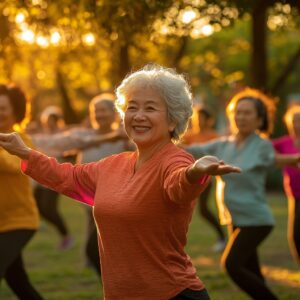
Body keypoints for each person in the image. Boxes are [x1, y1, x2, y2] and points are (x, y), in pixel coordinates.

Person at [0, 65, 241, 300]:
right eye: (132, 107)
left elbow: (178, 186)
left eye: (150, 108)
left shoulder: (175, 160)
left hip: (171, 294)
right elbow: (67, 177)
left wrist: (194, 172)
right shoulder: (112, 165)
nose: (138, 115)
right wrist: (25, 153)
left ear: (172, 120)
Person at [188, 88, 300, 299]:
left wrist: (293, 160)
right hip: (235, 218)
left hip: (256, 219)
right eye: (238, 112)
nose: (241, 117)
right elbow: (193, 150)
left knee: (231, 265)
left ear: (260, 119)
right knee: (253, 273)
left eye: (248, 113)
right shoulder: (223, 145)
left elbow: (272, 159)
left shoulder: (262, 145)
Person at [76, 93, 134, 276]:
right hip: (88, 197)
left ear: (113, 113)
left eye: (102, 111)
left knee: (99, 247)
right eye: (95, 111)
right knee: (94, 238)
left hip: (114, 202)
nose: (98, 115)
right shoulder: (86, 138)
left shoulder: (124, 139)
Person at [0, 84, 43, 299]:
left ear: (15, 111)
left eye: (2, 108)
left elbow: (10, 165)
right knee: (19, 284)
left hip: (19, 221)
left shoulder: (21, 142)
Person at [182, 106, 226, 253]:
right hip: (188, 177)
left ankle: (222, 238)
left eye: (201, 118)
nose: (198, 121)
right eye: (195, 118)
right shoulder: (188, 135)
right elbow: (178, 147)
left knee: (204, 210)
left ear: (209, 121)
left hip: (205, 178)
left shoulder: (214, 136)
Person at [30, 106, 73, 250]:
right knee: (38, 208)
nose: (50, 123)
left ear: (57, 121)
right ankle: (62, 234)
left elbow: (72, 144)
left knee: (49, 209)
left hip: (55, 178)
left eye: (52, 120)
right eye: (48, 120)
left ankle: (66, 236)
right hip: (41, 178)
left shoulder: (63, 136)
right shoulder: (42, 136)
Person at [272, 105, 300, 264]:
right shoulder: (284, 143)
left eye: (299, 121)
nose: (296, 124)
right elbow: (264, 148)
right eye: (294, 121)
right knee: (295, 234)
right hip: (293, 194)